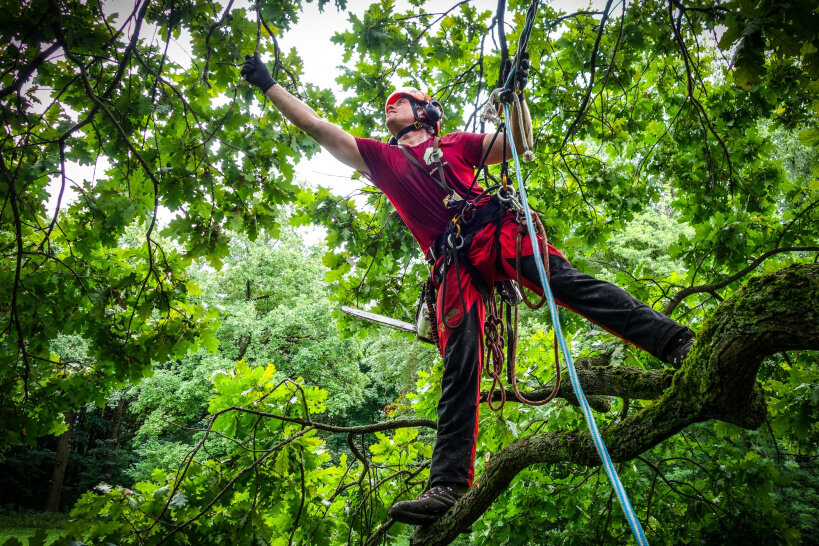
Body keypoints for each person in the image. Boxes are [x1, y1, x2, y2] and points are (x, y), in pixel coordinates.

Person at [241, 53, 694, 525]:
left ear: (425, 113)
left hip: (494, 232)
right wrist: (269, 85)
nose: (389, 108)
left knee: (573, 286)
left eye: (400, 102)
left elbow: (521, 143)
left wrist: (516, 97)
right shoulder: (383, 158)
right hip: (453, 261)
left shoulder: (458, 143)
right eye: (388, 105)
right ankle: (448, 488)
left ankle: (676, 341)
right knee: (460, 364)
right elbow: (318, 127)